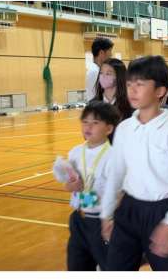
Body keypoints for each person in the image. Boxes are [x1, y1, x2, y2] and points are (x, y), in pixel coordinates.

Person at [100, 56, 168, 271]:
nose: (132, 90)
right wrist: (107, 213)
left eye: (140, 84)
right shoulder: (124, 128)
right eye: (129, 84)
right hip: (129, 209)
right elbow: (115, 174)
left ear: (160, 91)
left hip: (162, 211)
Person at [62, 102, 120, 271]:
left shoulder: (113, 157)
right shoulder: (75, 152)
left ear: (108, 129)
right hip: (79, 219)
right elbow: (68, 185)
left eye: (95, 123)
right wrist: (71, 186)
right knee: (77, 267)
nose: (88, 126)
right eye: (85, 122)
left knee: (111, 267)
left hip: (101, 222)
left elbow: (118, 193)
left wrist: (109, 218)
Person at [91, 58, 133, 125]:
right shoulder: (92, 104)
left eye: (108, 74)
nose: (103, 76)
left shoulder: (130, 105)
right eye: (101, 73)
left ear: (119, 76)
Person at [85, 38, 113, 103]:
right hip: (98, 107)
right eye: (110, 51)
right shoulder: (95, 71)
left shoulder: (96, 69)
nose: (111, 55)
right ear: (101, 53)